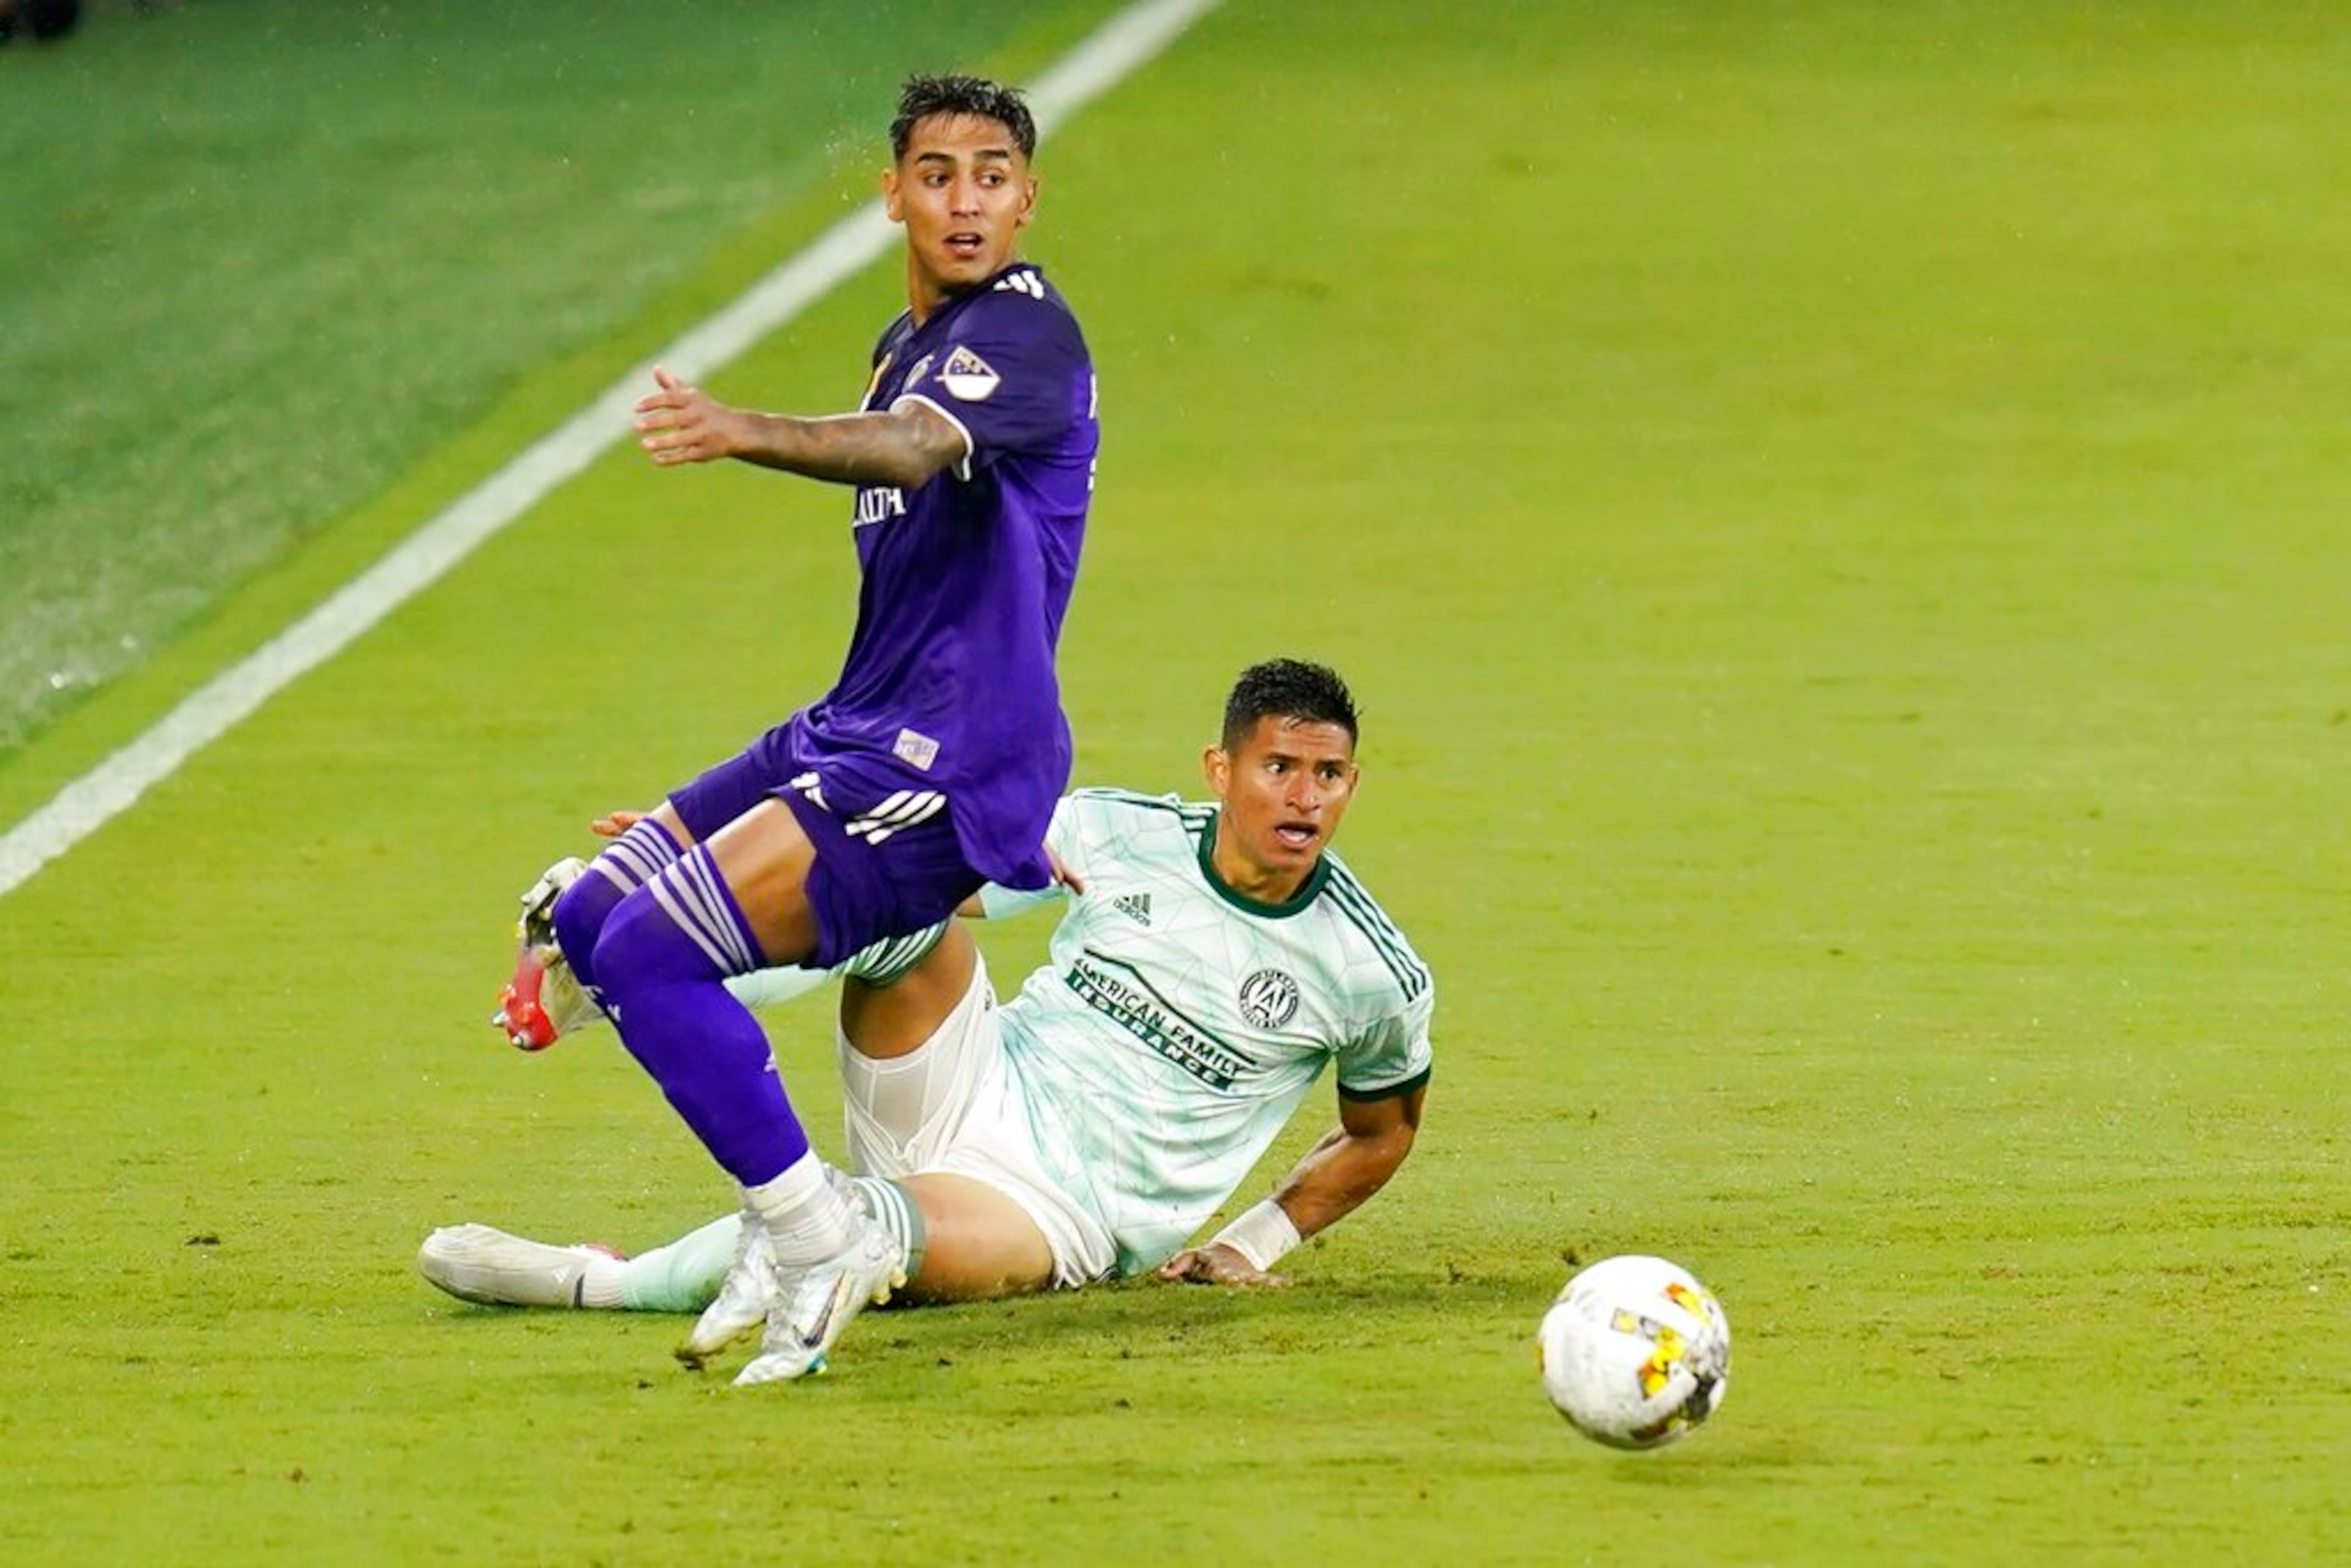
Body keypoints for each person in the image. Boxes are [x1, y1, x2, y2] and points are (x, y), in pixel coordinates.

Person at [490, 74, 1100, 1386]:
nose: (967, 199)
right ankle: (791, 1230)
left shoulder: (1027, 337)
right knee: (599, 915)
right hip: (855, 725)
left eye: (993, 173)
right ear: (895, 195)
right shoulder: (902, 341)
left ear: (1028, 197)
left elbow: (907, 454)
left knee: (655, 955)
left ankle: (812, 1231)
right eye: (938, 174)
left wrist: (735, 429)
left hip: (949, 763)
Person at [428, 661, 1433, 1376]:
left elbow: (1382, 1130)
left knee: (862, 1234)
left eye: (1329, 775)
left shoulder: (1369, 969)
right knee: (899, 901)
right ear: (1222, 769)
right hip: (973, 1070)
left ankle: (597, 1280)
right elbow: (928, 876)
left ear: (1354, 784)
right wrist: (704, 840)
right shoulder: (1124, 832)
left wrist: (1252, 1241)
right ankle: (653, 949)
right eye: (1279, 768)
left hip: (1064, 1210)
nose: (1303, 798)